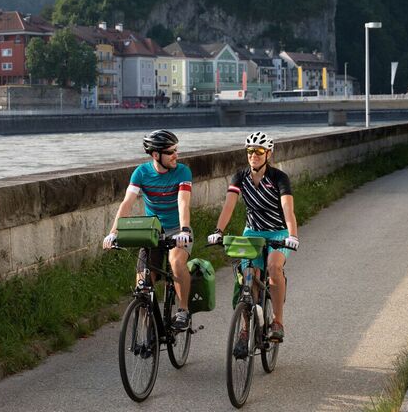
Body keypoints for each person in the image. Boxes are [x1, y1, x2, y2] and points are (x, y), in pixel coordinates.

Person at [209, 131, 299, 348]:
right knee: (249, 276)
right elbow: (229, 205)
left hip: (278, 232)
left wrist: (293, 235)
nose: (254, 155)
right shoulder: (240, 177)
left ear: (268, 153)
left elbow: (288, 209)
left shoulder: (279, 178)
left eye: (259, 151)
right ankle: (245, 329)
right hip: (252, 232)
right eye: (250, 151)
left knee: (274, 266)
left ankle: (277, 322)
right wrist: (218, 231)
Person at [102, 129, 194, 329]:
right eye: (170, 152)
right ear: (155, 155)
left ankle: (183, 311)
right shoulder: (141, 173)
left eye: (176, 150)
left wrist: (185, 230)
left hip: (177, 229)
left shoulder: (183, 171)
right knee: (142, 284)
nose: (175, 155)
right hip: (151, 231)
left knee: (176, 262)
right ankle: (148, 331)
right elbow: (126, 203)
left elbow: (183, 203)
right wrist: (113, 233)